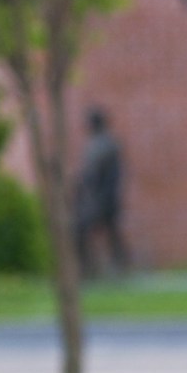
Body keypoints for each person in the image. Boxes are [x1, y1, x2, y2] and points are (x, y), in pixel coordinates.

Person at [74, 107, 127, 278]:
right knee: (112, 233)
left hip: (101, 199)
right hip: (106, 198)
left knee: (80, 229)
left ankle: (90, 269)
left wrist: (79, 186)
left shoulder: (102, 145)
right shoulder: (107, 143)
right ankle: (115, 266)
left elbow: (92, 174)